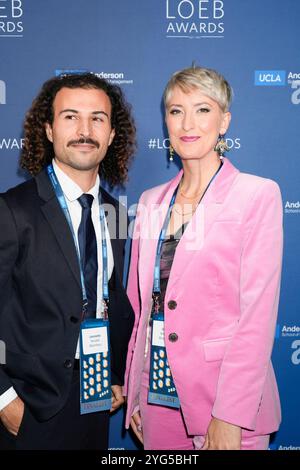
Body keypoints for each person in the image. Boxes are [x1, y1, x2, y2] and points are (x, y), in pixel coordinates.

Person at [124, 66, 283, 450]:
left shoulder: (256, 195)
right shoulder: (150, 201)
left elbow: (257, 318)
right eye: (176, 110)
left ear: (224, 121)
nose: (188, 123)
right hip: (156, 396)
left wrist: (230, 415)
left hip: (224, 402)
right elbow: (139, 306)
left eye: (203, 109)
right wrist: (135, 390)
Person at [0, 72, 136, 450]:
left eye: (97, 118)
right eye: (70, 116)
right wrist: (4, 399)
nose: (84, 129)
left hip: (95, 399)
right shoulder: (11, 210)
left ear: (111, 134)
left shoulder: (117, 213)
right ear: (48, 129)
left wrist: (116, 372)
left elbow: (114, 299)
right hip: (28, 403)